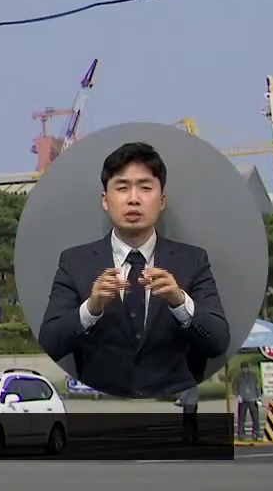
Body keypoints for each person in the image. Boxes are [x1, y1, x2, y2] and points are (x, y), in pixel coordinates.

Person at [37, 142, 231, 398]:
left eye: (145, 188)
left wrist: (180, 302)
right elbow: (50, 343)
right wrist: (90, 309)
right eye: (122, 188)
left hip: (170, 408)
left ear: (162, 200)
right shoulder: (74, 262)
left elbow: (217, 342)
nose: (133, 199)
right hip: (104, 409)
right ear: (105, 200)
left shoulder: (192, 260)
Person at [235, 363, 263, 440]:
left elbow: (257, 387)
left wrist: (259, 397)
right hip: (243, 400)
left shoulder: (253, 376)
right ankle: (241, 433)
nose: (244, 369)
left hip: (253, 399)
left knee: (255, 417)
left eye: (245, 368)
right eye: (243, 368)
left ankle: (256, 432)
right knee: (241, 418)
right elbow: (235, 387)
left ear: (248, 368)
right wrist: (237, 395)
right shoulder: (238, 377)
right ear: (241, 369)